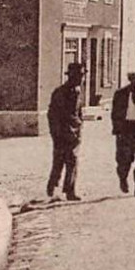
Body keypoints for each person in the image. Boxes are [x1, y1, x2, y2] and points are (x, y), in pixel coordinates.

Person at [47, 62, 86, 201]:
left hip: (74, 134)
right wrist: (56, 134)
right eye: (79, 75)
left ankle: (70, 191)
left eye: (83, 75)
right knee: (59, 162)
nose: (82, 78)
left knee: (73, 161)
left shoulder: (78, 91)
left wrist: (79, 127)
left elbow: (79, 112)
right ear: (72, 76)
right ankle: (52, 185)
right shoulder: (60, 93)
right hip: (61, 134)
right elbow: (55, 115)